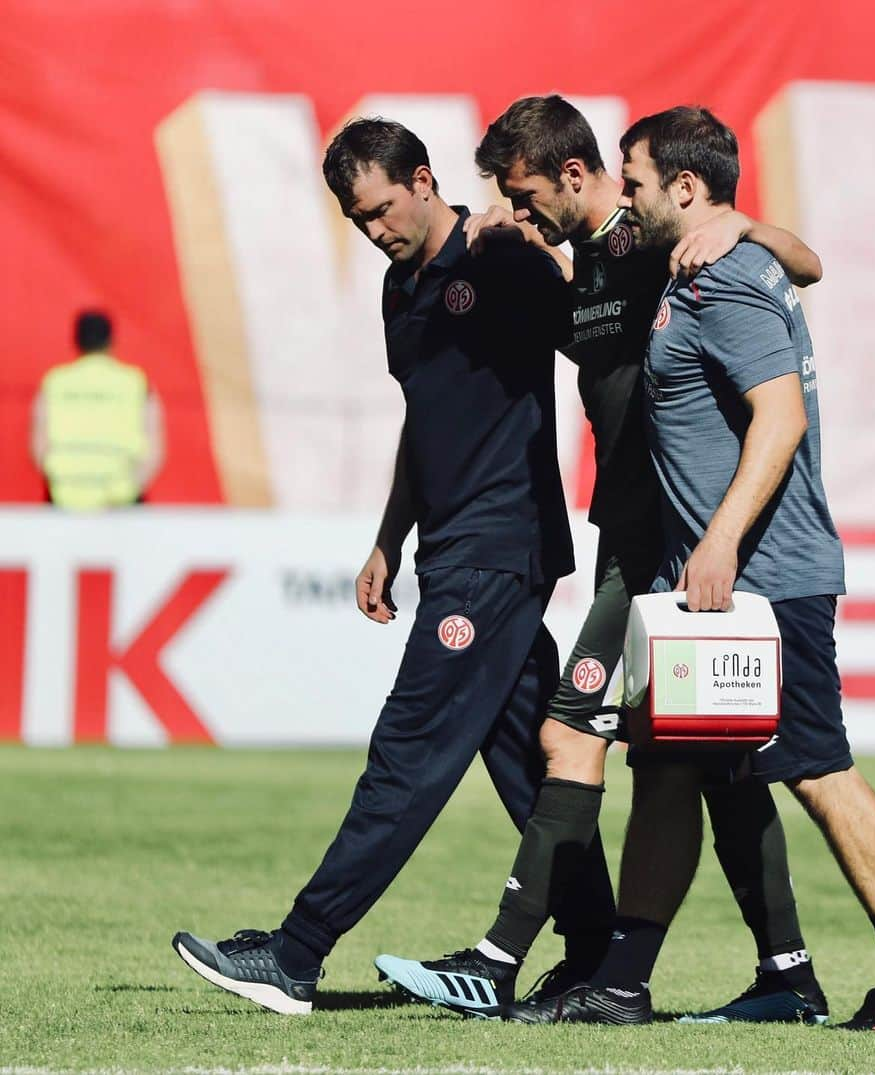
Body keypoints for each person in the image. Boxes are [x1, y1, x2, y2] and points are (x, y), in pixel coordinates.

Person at [375, 95, 832, 1025]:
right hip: (629, 540)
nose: (520, 208)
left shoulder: (657, 242)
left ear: (575, 177)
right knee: (711, 764)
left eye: (528, 192)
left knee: (570, 732)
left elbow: (804, 264)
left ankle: (500, 957)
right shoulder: (574, 267)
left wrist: (746, 223)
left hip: (670, 549)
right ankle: (783, 974)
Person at [509, 106, 875, 1031]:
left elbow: (781, 418)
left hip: (767, 579)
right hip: (703, 588)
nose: (621, 194)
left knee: (819, 768)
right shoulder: (692, 265)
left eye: (633, 179)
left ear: (685, 187)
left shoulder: (733, 276)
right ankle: (623, 982)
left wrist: (717, 541)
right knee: (666, 772)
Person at [171, 117, 618, 1015]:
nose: (374, 230)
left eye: (381, 209)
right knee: (528, 758)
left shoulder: (501, 257)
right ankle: (601, 955)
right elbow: (429, 420)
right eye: (356, 219)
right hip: (453, 546)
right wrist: (389, 535)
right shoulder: (397, 289)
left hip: (499, 548)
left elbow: (601, 340)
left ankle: (297, 954)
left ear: (422, 180)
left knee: (409, 751)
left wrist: (558, 255)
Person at [30, 310, 163, 509]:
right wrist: (128, 488)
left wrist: (66, 483)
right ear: (111, 340)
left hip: (64, 496)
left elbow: (39, 447)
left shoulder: (54, 382)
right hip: (122, 498)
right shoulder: (137, 383)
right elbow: (154, 450)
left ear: (76, 340)